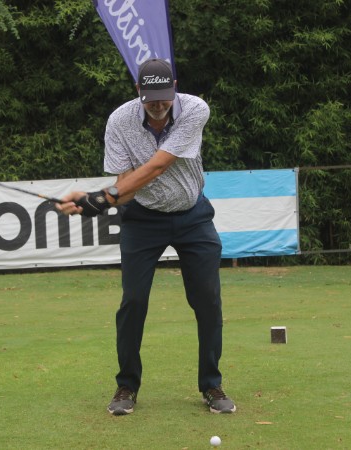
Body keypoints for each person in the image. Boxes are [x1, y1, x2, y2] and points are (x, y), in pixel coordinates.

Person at [56, 58, 235, 415]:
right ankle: (126, 386)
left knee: (207, 300)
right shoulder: (120, 121)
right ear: (139, 91)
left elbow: (157, 166)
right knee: (133, 301)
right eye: (150, 98)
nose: (158, 105)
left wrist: (101, 198)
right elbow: (127, 184)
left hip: (192, 216)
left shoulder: (194, 109)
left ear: (174, 89)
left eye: (164, 97)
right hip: (142, 219)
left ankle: (212, 385)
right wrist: (91, 202)